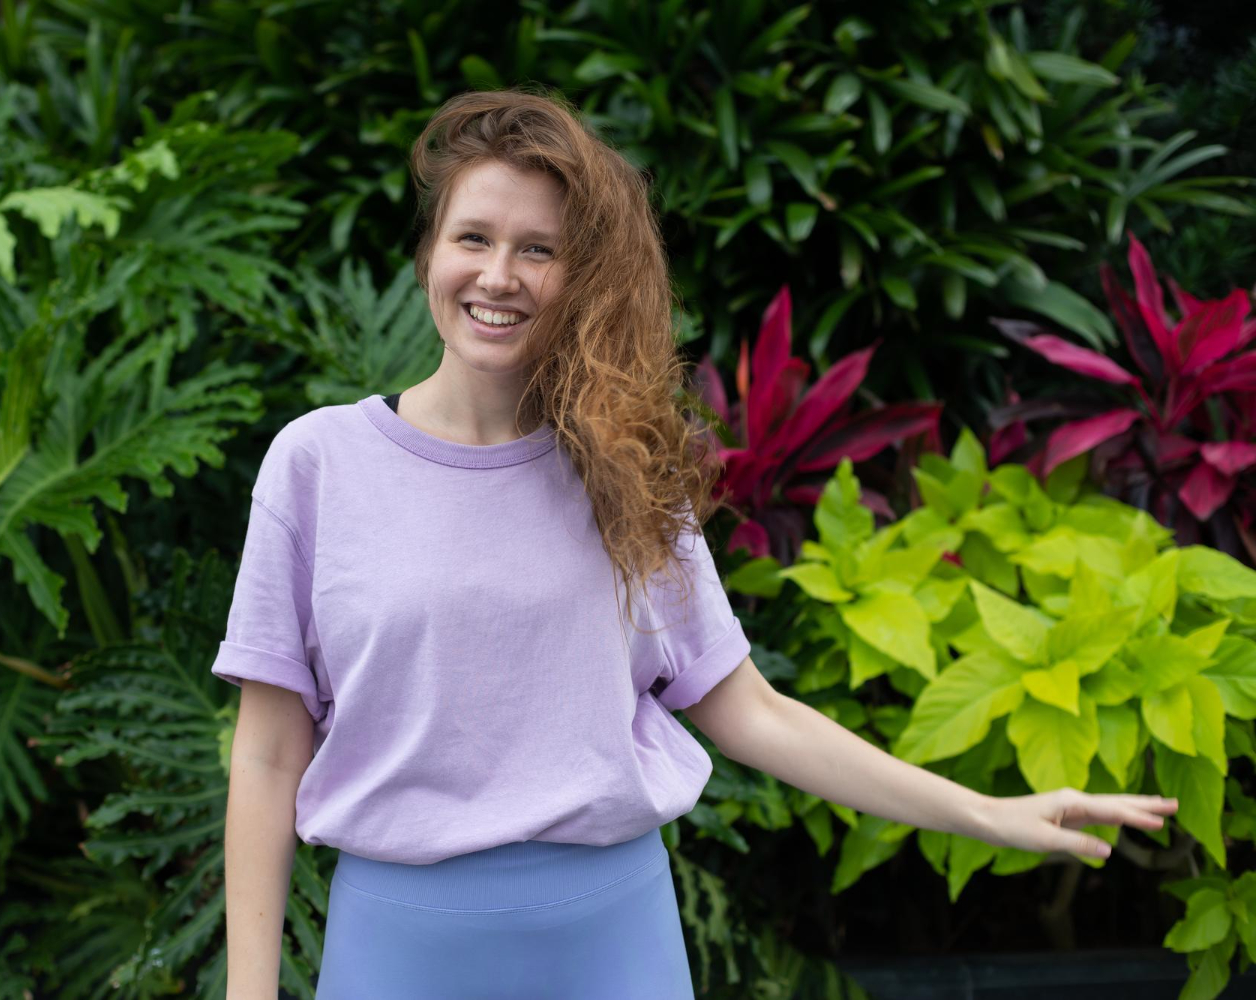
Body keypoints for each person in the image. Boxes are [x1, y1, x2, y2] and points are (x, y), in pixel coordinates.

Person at [214, 87, 1179, 1000]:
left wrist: (987, 813)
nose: (498, 276)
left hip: (611, 939)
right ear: (430, 250)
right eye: (474, 237)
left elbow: (754, 714)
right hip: (399, 944)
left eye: (538, 249)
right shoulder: (320, 464)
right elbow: (265, 756)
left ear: (582, 276)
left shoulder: (623, 471)